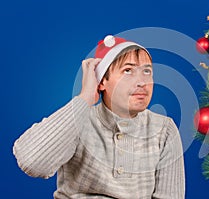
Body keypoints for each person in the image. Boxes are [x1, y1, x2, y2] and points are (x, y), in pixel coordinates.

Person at [13, 35, 185, 199]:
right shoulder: (79, 121)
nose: (142, 82)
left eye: (147, 71)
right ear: (102, 81)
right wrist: (86, 97)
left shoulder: (164, 129)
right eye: (128, 71)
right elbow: (32, 162)